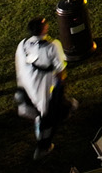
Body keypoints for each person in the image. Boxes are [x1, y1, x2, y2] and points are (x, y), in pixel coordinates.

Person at [16, 15, 70, 159]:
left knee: (47, 111)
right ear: (44, 29)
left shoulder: (22, 45)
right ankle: (43, 147)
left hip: (28, 89)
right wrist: (60, 88)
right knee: (48, 119)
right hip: (45, 92)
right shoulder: (53, 46)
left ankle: (64, 106)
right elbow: (61, 72)